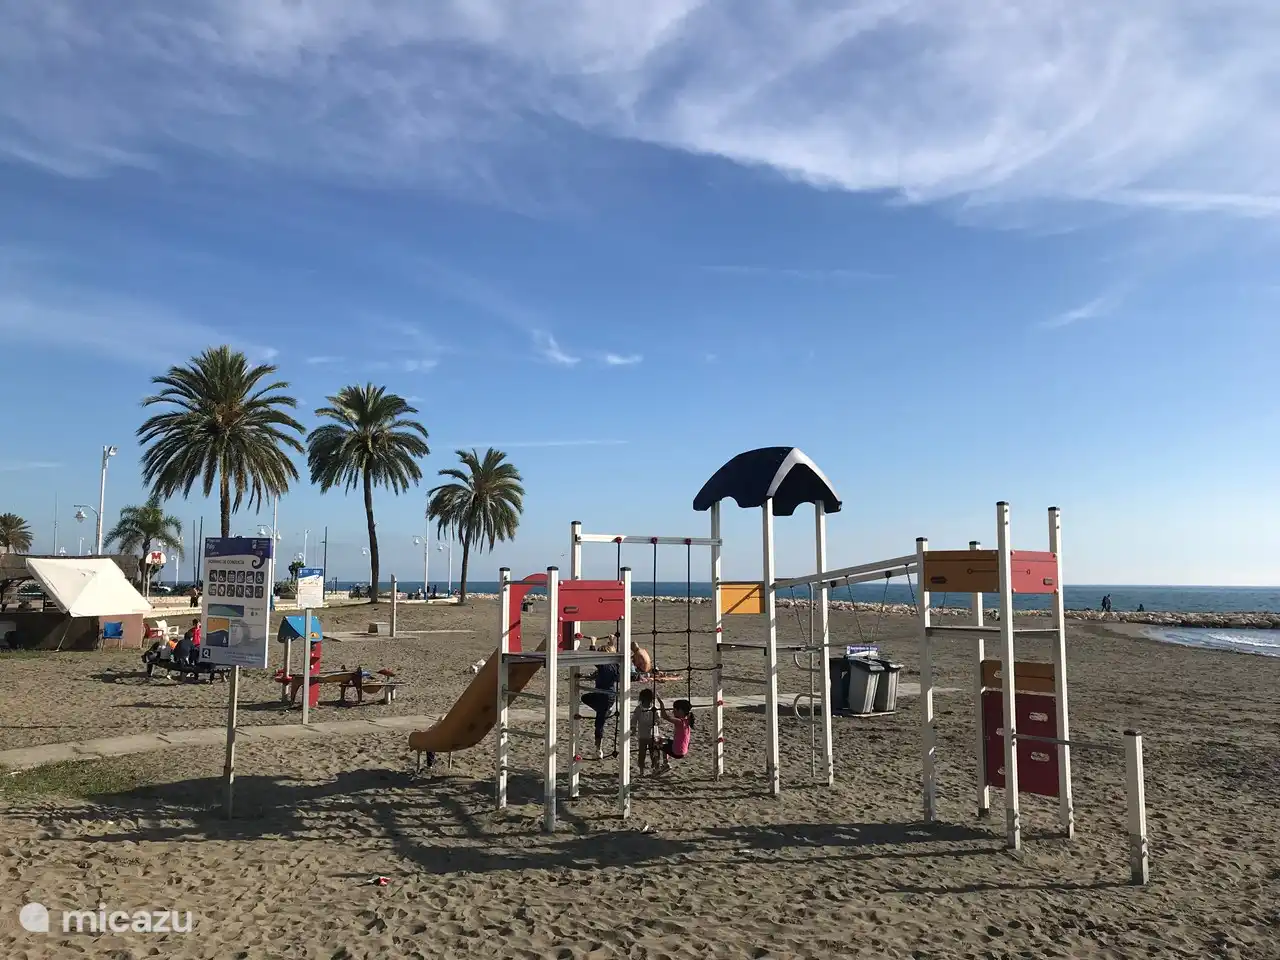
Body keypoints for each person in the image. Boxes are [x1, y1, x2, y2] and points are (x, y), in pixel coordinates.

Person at [581, 638, 619, 759]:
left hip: (601, 696)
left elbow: (593, 657)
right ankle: (604, 710)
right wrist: (612, 641)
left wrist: (592, 642)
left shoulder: (603, 665)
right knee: (599, 720)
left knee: (599, 723)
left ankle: (598, 749)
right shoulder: (616, 665)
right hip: (611, 697)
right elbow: (614, 653)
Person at [656, 697, 695, 772]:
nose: (673, 711)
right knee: (664, 740)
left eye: (674, 709)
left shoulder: (680, 722)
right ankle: (665, 763)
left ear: (680, 710)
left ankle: (663, 764)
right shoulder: (687, 720)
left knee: (657, 742)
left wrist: (661, 703)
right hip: (683, 750)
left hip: (677, 752)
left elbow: (665, 716)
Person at [633, 688, 660, 775]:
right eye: (647, 700)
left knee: (654, 752)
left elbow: (658, 719)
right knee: (642, 753)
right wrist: (633, 728)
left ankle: (655, 767)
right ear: (642, 700)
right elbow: (634, 719)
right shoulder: (638, 709)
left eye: (650, 701)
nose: (649, 703)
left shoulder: (654, 708)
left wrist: (656, 722)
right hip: (642, 735)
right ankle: (641, 770)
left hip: (653, 735)